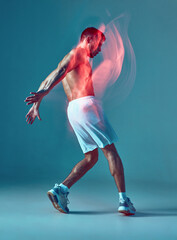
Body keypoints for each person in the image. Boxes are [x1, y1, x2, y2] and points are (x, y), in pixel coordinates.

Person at [24, 27, 136, 215]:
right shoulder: (79, 52)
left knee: (91, 158)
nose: (100, 49)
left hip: (74, 110)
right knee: (110, 151)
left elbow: (51, 76)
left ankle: (61, 189)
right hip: (86, 106)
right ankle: (124, 200)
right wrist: (45, 93)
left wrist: (37, 102)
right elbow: (58, 73)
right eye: (99, 44)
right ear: (88, 39)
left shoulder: (71, 57)